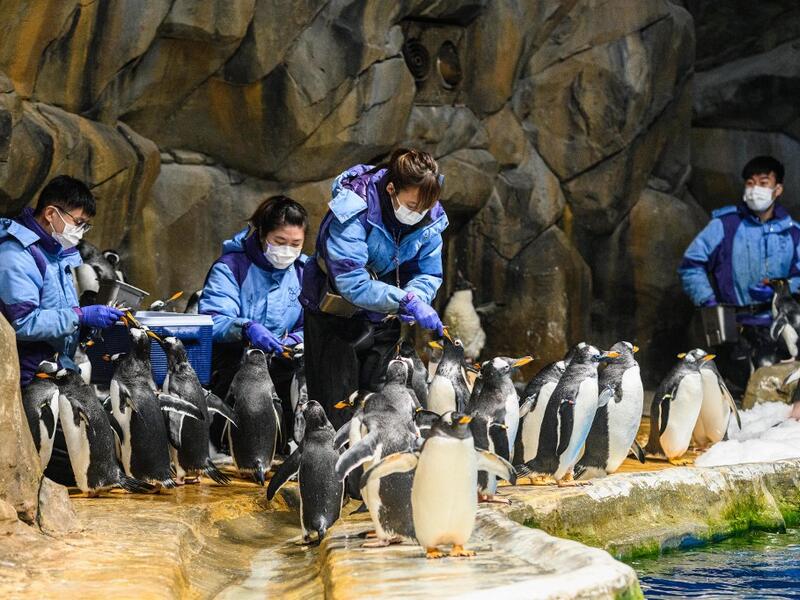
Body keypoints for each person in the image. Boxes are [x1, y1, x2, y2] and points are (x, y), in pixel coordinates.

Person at [300, 148, 448, 427]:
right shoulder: (355, 204)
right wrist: (405, 301)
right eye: (413, 206)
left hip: (384, 315)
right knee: (336, 414)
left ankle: (373, 470)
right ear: (391, 188)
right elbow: (350, 281)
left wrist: (417, 297)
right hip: (335, 315)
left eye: (426, 207)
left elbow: (428, 271)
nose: (420, 214)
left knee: (380, 410)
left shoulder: (430, 214)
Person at [679, 155, 800, 387]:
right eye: (750, 183)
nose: (756, 189)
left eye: (764, 183)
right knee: (736, 386)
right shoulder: (725, 225)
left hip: (778, 325)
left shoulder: (793, 233)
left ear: (778, 189)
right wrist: (708, 301)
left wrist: (780, 290)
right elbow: (690, 265)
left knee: (777, 388)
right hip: (734, 327)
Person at [199, 195, 307, 446]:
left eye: (295, 243)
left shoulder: (303, 271)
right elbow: (213, 320)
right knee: (233, 439)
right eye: (279, 241)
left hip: (282, 366)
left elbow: (311, 323)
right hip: (235, 367)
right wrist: (246, 328)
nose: (287, 250)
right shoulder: (231, 267)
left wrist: (295, 339)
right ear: (261, 235)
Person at [0, 176, 123, 387]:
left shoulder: (55, 252)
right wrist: (80, 316)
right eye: (78, 223)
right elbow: (21, 323)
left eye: (85, 225)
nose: (81, 232)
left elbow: (57, 308)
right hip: (28, 376)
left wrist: (84, 324)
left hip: (58, 369)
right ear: (50, 213)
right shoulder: (16, 254)